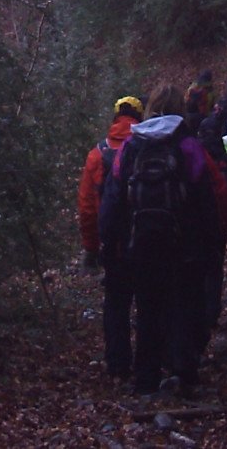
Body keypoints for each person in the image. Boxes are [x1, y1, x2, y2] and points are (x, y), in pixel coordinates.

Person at [100, 85, 221, 397]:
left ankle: (146, 377)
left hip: (139, 242)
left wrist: (110, 240)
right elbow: (205, 196)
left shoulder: (131, 145)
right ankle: (182, 371)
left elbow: (114, 197)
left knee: (148, 308)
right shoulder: (189, 146)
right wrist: (211, 243)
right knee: (183, 305)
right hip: (184, 243)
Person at [77, 95, 145, 378]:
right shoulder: (148, 149)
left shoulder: (98, 154)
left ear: (115, 118)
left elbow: (87, 208)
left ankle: (118, 365)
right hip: (146, 239)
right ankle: (148, 363)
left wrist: (92, 248)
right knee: (148, 301)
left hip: (114, 242)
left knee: (116, 303)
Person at [197, 114, 227, 344]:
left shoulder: (192, 161)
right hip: (218, 226)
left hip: (196, 224)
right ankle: (211, 312)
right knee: (215, 268)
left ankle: (199, 313)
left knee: (197, 268)